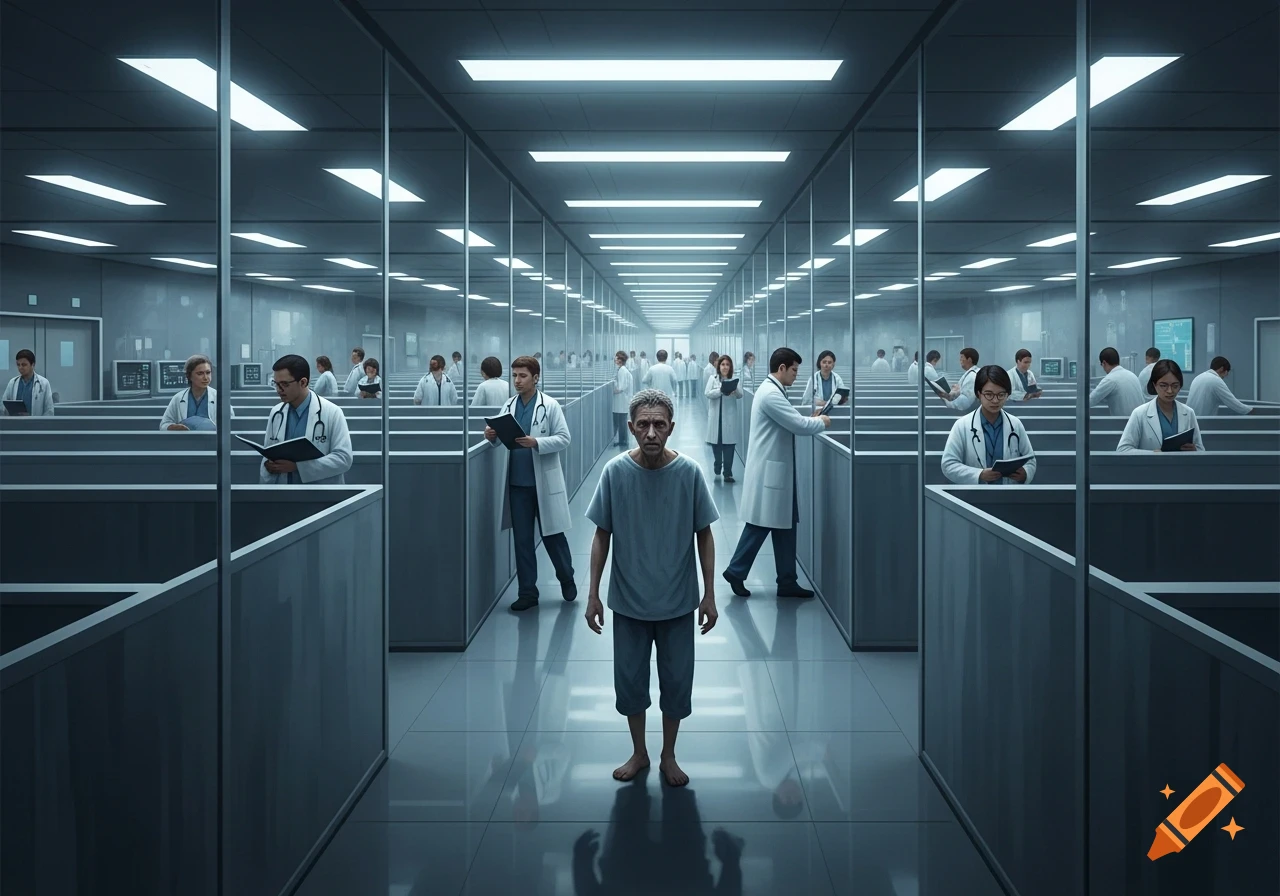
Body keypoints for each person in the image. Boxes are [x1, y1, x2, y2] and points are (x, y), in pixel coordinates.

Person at [584, 388, 719, 787]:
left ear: (671, 427)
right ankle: (640, 752)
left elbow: (705, 534)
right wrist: (592, 594)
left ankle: (668, 754)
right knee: (630, 682)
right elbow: (601, 535)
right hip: (629, 600)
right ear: (630, 427)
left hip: (677, 600)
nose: (651, 433)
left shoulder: (689, 473)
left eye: (659, 424)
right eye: (643, 424)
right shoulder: (615, 473)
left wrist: (709, 594)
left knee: (676, 683)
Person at [722, 348, 831, 599]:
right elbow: (798, 425)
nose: (796, 375)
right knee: (761, 525)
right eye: (794, 370)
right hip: (770, 473)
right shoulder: (771, 394)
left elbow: (791, 419)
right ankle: (736, 571)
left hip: (776, 471)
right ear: (781, 368)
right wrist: (821, 422)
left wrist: (810, 418)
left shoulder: (773, 390)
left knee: (785, 526)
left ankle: (787, 581)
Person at [485, 355, 576, 611]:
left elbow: (564, 438)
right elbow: (500, 439)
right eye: (514, 375)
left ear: (535, 378)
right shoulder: (509, 405)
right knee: (522, 540)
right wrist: (491, 435)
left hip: (543, 482)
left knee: (553, 536)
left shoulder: (550, 405)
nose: (517, 380)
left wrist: (537, 442)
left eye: (523, 376)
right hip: (517, 484)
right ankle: (527, 592)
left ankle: (566, 577)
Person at [261, 354, 353, 484]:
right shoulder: (276, 412)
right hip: (283, 491)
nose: (278, 390)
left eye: (284, 384)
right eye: (276, 384)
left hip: (320, 492)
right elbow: (268, 453)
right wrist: (269, 465)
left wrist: (298, 467)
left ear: (303, 382)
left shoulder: (332, 412)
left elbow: (343, 459)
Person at [941, 366, 1037, 485]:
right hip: (973, 494)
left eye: (1001, 394)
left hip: (1009, 493)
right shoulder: (962, 425)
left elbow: (1030, 460)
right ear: (978, 394)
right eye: (989, 394)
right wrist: (979, 474)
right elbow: (948, 465)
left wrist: (1025, 473)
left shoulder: (1015, 424)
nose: (995, 400)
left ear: (1007, 395)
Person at [1117, 359, 1204, 453]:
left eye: (1175, 386)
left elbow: (1201, 449)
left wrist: (1195, 449)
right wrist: (1153, 454)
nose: (1170, 391)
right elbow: (1123, 449)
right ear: (1154, 385)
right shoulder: (1139, 414)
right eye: (1163, 386)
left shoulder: (1189, 412)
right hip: (1150, 463)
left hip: (1181, 463)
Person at [160, 354, 234, 430]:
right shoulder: (178, 398)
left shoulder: (220, 398)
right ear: (189, 376)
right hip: (185, 437)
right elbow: (164, 425)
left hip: (212, 437)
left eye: (208, 373)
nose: (206, 378)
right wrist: (172, 427)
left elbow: (231, 425)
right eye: (200, 373)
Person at [705, 354, 744, 482]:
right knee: (716, 444)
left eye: (727, 364)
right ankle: (717, 464)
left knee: (729, 446)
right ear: (719, 366)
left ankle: (728, 473)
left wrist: (734, 390)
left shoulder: (734, 379)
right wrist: (720, 391)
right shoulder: (713, 378)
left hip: (729, 417)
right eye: (723, 364)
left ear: (730, 366)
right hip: (716, 418)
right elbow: (707, 393)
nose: (725, 367)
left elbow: (740, 394)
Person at [1187, 356, 1254, 418]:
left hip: (1189, 419)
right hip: (1201, 422)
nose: (1225, 376)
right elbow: (1233, 403)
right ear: (1221, 369)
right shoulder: (1215, 380)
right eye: (1227, 372)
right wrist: (1250, 410)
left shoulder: (1198, 377)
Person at [1089, 346, 1145, 417]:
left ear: (1104, 363)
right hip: (1141, 420)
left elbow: (1090, 401)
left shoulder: (1110, 379)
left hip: (1124, 422)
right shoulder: (1132, 375)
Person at [2, 348, 54, 416]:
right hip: (15, 421)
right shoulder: (13, 383)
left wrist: (42, 422)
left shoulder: (44, 383)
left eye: (24, 365)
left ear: (33, 364)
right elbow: (4, 406)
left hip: (36, 422)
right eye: (18, 365)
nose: (20, 367)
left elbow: (49, 410)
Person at [942, 347, 980, 412]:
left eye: (962, 357)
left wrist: (947, 403)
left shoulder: (972, 376)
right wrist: (956, 392)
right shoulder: (971, 373)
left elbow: (965, 401)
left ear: (969, 360)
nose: (960, 360)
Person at [611, 350, 634, 447]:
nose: (615, 359)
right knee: (622, 420)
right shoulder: (622, 370)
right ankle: (622, 440)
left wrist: (613, 390)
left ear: (620, 360)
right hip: (623, 399)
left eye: (616, 358)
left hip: (622, 400)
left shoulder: (622, 371)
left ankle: (623, 441)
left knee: (621, 421)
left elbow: (621, 387)